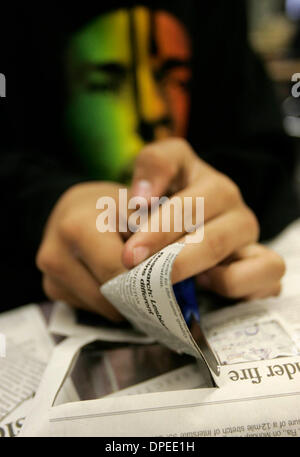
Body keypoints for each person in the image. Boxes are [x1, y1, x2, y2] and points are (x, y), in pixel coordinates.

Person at [1, 1, 299, 315]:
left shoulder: (218, 15)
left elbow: (263, 150)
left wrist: (221, 204)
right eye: (105, 84)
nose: (153, 112)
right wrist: (49, 203)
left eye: (173, 79)